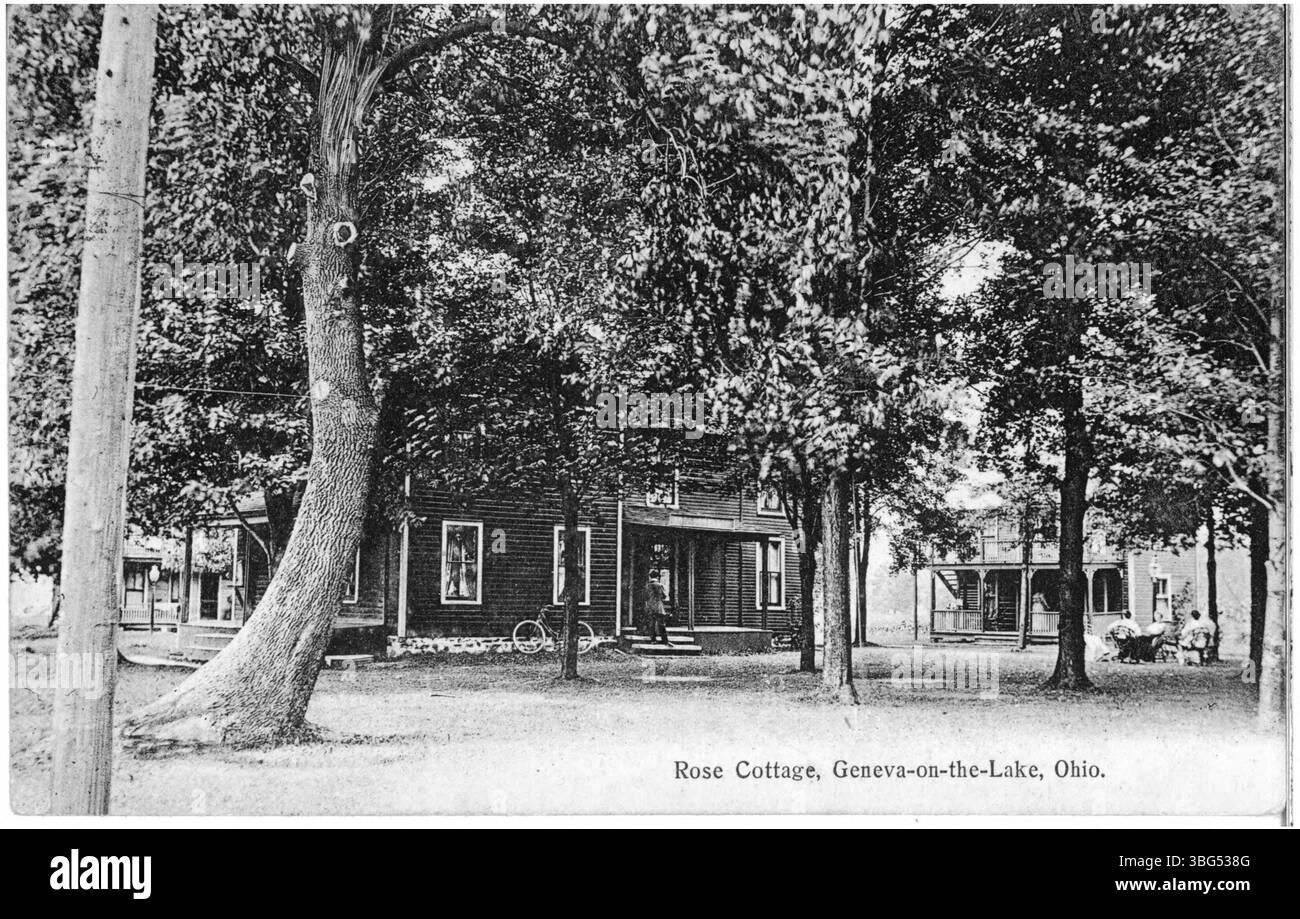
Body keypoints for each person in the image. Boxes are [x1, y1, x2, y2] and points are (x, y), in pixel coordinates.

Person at [645, 572, 672, 646]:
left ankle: (653, 640)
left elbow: (645, 596)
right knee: (661, 624)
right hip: (658, 607)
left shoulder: (647, 586)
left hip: (650, 606)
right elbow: (664, 596)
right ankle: (665, 640)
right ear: (657, 577)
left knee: (652, 624)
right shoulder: (660, 585)